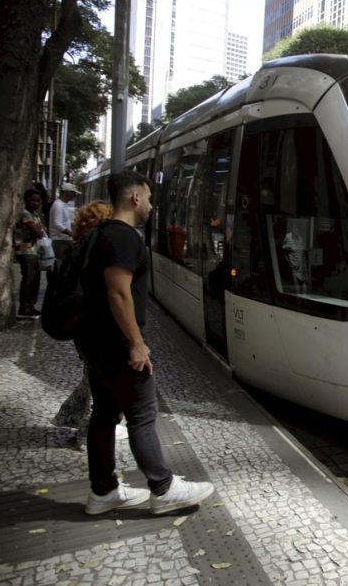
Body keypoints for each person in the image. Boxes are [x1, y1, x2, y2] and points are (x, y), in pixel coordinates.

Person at [78, 170, 213, 515]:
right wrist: (136, 343)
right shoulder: (123, 237)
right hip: (116, 343)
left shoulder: (101, 235)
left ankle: (103, 491)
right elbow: (118, 293)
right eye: (150, 198)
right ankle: (163, 487)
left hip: (95, 342)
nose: (152, 205)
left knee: (105, 414)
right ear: (135, 197)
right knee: (141, 414)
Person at [51, 201, 128, 449]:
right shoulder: (98, 254)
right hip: (99, 328)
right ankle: (90, 429)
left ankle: (84, 422)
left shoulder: (77, 250)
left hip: (82, 329)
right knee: (101, 380)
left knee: (93, 376)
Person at [14, 188, 47, 319]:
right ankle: (25, 307)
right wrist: (39, 230)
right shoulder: (25, 214)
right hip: (25, 250)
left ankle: (30, 306)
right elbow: (38, 232)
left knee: (34, 279)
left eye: (38, 201)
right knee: (29, 279)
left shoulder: (35, 215)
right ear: (26, 200)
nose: (36, 203)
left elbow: (42, 231)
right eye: (33, 200)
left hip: (34, 251)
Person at [49, 182, 81, 261]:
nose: (74, 195)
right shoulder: (58, 205)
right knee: (61, 264)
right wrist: (71, 233)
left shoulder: (62, 205)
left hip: (64, 240)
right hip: (60, 241)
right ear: (66, 192)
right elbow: (57, 224)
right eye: (73, 193)